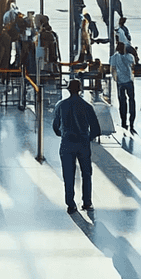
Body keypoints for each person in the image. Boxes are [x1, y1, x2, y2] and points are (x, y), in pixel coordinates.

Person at [51, 79, 102, 214]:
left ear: (68, 89)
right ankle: (87, 202)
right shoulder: (87, 107)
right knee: (86, 173)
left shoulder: (61, 106)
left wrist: (63, 134)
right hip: (83, 143)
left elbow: (55, 127)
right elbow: (96, 129)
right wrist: (87, 137)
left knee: (68, 174)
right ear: (80, 89)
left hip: (67, 143)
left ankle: (71, 204)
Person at [109, 41, 138, 133]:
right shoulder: (130, 57)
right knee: (132, 100)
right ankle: (131, 123)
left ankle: (123, 122)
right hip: (129, 81)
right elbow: (133, 66)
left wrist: (115, 78)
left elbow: (112, 69)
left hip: (120, 82)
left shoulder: (113, 57)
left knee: (122, 102)